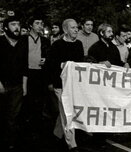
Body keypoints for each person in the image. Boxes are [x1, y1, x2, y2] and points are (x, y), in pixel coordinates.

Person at [46, 18, 84, 152]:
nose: (76, 30)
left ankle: (56, 135)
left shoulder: (79, 44)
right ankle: (72, 144)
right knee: (68, 113)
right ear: (65, 30)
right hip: (60, 85)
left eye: (76, 27)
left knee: (63, 112)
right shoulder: (57, 45)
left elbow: (80, 64)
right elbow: (50, 65)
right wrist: (63, 65)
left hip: (73, 86)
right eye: (73, 28)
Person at [0, 15, 28, 151]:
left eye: (18, 24)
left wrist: (24, 85)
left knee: (14, 116)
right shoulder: (0, 42)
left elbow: (25, 65)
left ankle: (10, 143)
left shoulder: (23, 42)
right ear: (5, 27)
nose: (17, 27)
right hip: (2, 84)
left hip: (17, 85)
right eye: (13, 24)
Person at [25, 16, 51, 125]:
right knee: (28, 99)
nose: (40, 26)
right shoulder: (23, 40)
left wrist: (46, 59)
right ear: (31, 25)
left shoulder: (45, 40)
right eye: (37, 23)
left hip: (40, 73)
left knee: (40, 98)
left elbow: (49, 55)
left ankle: (38, 122)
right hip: (28, 73)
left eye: (41, 23)